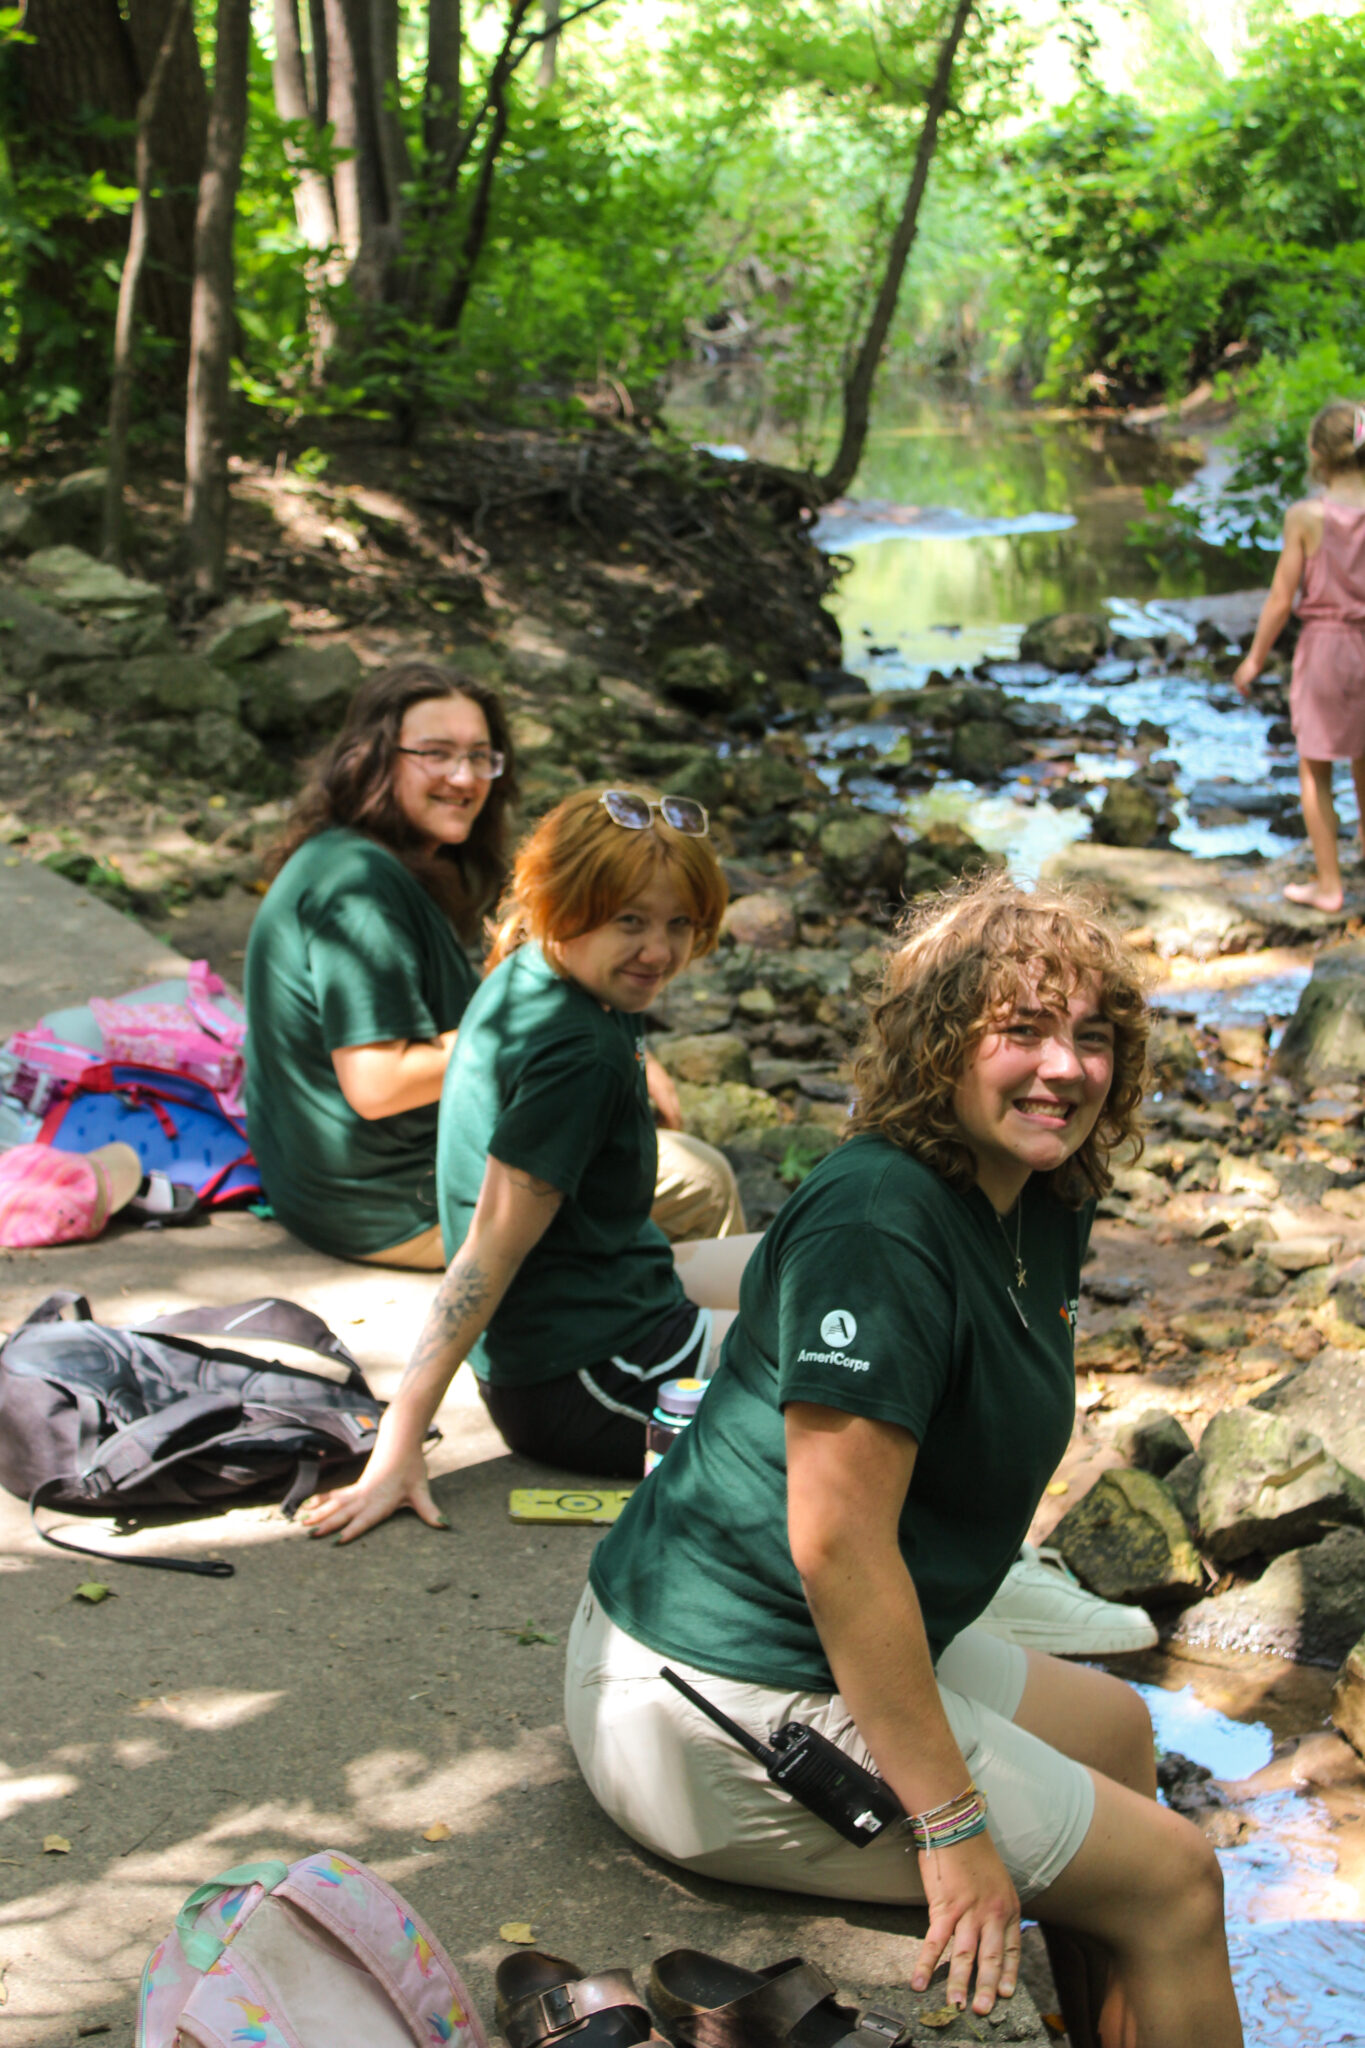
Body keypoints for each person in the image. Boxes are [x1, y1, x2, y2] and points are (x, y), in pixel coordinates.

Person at [565, 876, 1242, 2048]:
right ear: (942, 1043)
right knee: (1178, 1878)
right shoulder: (883, 1220)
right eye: (1021, 1030)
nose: (1065, 1068)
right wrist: (952, 1822)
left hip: (788, 1640)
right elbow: (834, 1542)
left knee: (1121, 1735)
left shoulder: (1036, 1190)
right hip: (713, 1695)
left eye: (1091, 1037)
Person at [300, 785, 760, 1539]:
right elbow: (488, 1248)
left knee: (828, 1259)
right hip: (589, 1381)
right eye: (630, 922)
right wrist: (399, 1441)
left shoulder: (541, 963)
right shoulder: (580, 1053)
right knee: (855, 1345)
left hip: (608, 1294)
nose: (659, 951)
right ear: (565, 904)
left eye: (680, 923)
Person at [245, 666, 742, 1268]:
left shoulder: (381, 860)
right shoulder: (358, 890)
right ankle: (678, 1347)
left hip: (342, 1186)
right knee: (702, 1179)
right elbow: (377, 1084)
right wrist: (549, 1034)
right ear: (372, 760)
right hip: (386, 1205)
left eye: (482, 757)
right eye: (436, 754)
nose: (464, 777)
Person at [1235, 397, 1365, 912]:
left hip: (1327, 650)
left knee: (1315, 769)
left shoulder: (1307, 517)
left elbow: (1280, 599)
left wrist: (1254, 659)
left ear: (1317, 454)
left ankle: (1330, 885)